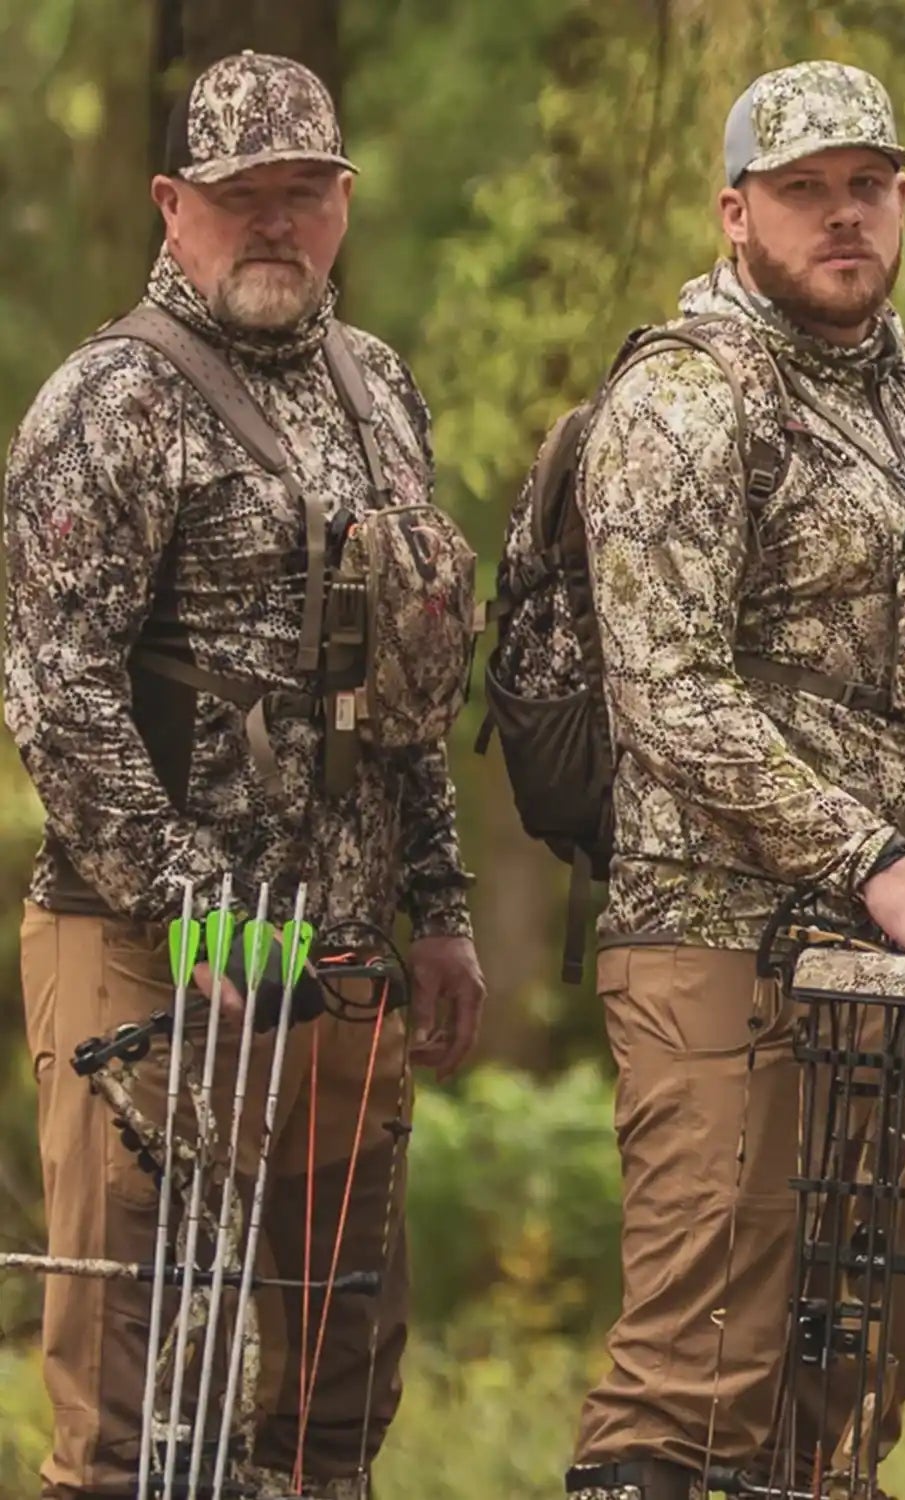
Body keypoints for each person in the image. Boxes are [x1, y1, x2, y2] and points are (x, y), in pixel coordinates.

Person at [558, 59, 905, 1498]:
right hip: (722, 946)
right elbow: (665, 695)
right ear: (735, 214)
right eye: (804, 192)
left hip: (898, 971)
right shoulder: (685, 397)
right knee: (696, 1382)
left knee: (852, 1385)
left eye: (868, 187)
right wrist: (877, 862)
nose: (844, 217)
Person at [4, 50, 483, 1499]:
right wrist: (192, 901)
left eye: (303, 194)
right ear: (171, 206)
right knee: (142, 1393)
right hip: (153, 966)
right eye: (239, 197)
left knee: (337, 1381)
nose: (273, 224)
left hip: (337, 964)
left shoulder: (377, 384)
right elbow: (53, 684)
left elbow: (408, 677)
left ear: (342, 205)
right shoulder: (109, 401)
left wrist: (442, 903)